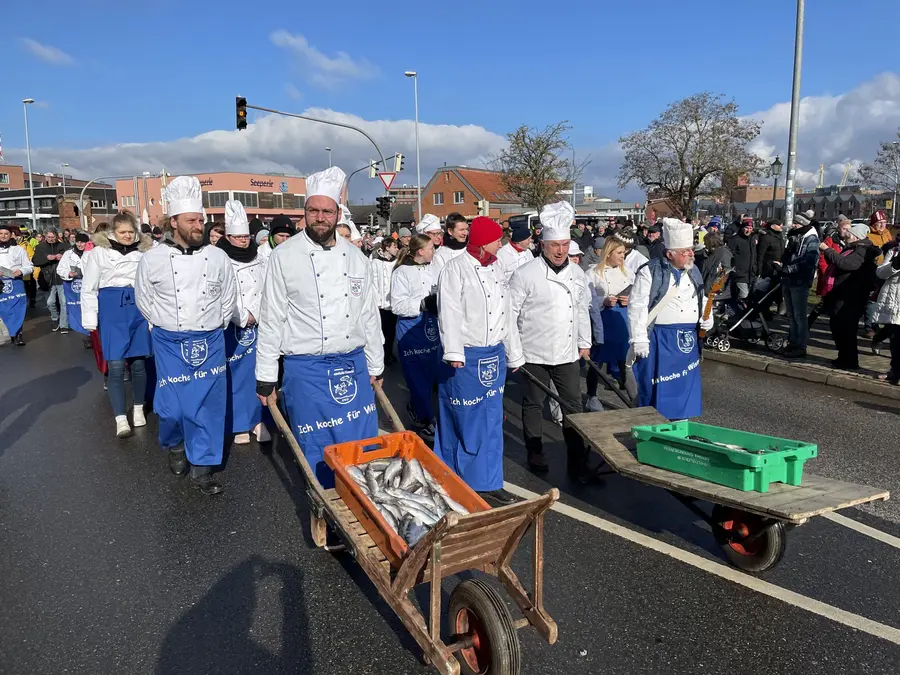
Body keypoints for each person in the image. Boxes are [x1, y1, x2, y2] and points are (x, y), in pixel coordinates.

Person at [255, 167, 383, 489]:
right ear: (305, 213)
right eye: (314, 210)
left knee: (361, 443)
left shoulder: (356, 258)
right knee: (316, 448)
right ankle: (325, 508)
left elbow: (369, 315)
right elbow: (272, 318)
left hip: (352, 364)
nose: (320, 217)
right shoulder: (284, 256)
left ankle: (361, 505)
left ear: (338, 213)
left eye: (327, 211)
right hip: (305, 368)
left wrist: (376, 364)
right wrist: (266, 376)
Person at [135, 176, 237, 495]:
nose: (199, 225)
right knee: (172, 407)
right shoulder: (152, 259)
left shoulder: (218, 258)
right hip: (169, 342)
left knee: (208, 405)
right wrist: (164, 325)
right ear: (174, 221)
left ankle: (203, 467)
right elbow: (144, 300)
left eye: (201, 220)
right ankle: (176, 444)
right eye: (192, 220)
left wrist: (210, 325)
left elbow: (229, 298)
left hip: (209, 341)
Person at [507, 201, 594, 482]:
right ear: (543, 245)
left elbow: (582, 310)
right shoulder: (525, 274)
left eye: (565, 244)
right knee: (533, 403)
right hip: (534, 352)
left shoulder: (577, 274)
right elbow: (510, 316)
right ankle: (535, 450)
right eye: (555, 245)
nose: (560, 251)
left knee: (573, 406)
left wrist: (585, 342)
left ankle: (578, 460)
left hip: (567, 352)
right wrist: (515, 355)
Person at [436, 216, 516, 505]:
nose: (501, 243)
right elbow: (450, 312)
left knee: (492, 418)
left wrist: (513, 352)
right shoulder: (455, 269)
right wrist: (454, 352)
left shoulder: (497, 266)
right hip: (467, 356)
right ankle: (456, 475)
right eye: (497, 238)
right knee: (466, 418)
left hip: (492, 353)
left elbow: (506, 311)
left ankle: (489, 479)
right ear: (483, 240)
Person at [629, 218, 713, 420]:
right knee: (656, 389)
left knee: (685, 392)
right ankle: (653, 430)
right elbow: (637, 306)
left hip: (688, 340)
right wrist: (639, 338)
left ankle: (681, 428)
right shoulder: (650, 271)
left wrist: (708, 319)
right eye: (686, 251)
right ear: (670, 254)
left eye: (691, 249)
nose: (692, 254)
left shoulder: (694, 271)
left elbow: (701, 299)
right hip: (661, 339)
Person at [82, 210, 154, 438]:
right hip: (111, 309)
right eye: (122, 232)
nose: (127, 236)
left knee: (139, 363)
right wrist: (90, 318)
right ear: (114, 232)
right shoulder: (100, 253)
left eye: (131, 232)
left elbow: (152, 285)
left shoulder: (144, 252)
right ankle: (120, 417)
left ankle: (139, 407)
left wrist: (154, 317)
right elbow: (89, 287)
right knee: (115, 364)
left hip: (138, 306)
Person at [218, 200, 270, 446]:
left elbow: (267, 288)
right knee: (236, 375)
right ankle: (239, 423)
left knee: (260, 374)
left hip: (259, 325)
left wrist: (261, 314)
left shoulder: (259, 258)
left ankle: (258, 420)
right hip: (235, 326)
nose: (243, 241)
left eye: (246, 236)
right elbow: (221, 294)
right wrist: (241, 316)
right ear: (228, 237)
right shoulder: (221, 259)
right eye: (238, 237)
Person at [391, 233, 441, 437]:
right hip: (411, 330)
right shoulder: (402, 272)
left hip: (431, 326)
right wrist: (421, 304)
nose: (434, 251)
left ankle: (417, 406)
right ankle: (424, 420)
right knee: (417, 378)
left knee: (432, 375)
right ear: (420, 251)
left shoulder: (434, 267)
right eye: (431, 248)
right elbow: (397, 305)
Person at [819, 223, 878, 370]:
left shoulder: (861, 250)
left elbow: (846, 264)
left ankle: (850, 361)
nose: (846, 236)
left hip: (851, 297)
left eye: (849, 233)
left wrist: (828, 251)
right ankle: (843, 357)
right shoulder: (854, 248)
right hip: (843, 294)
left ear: (855, 236)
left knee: (847, 329)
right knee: (837, 326)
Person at [586, 237, 634, 408]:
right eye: (619, 253)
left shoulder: (627, 272)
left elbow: (637, 295)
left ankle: (633, 398)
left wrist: (629, 299)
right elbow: (587, 299)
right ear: (608, 253)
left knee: (624, 358)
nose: (623, 256)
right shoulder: (593, 274)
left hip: (621, 318)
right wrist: (603, 301)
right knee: (597, 359)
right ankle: (592, 396)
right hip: (603, 319)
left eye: (624, 252)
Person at [776, 212, 820, 358]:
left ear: (803, 224)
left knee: (800, 316)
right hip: (788, 280)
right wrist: (782, 265)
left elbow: (808, 262)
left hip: (800, 282)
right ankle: (792, 342)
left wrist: (788, 268)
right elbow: (789, 255)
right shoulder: (795, 236)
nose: (793, 225)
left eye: (796, 223)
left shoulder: (811, 239)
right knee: (791, 315)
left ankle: (801, 345)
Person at [57, 231, 93, 346]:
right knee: (77, 310)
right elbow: (60, 269)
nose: (79, 244)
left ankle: (92, 335)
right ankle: (87, 335)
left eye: (82, 242)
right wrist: (68, 273)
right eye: (77, 242)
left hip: (89, 285)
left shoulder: (93, 253)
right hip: (74, 287)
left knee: (90, 309)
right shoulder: (68, 254)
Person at [0, 223, 33, 346]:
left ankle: (19, 334)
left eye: (6, 234)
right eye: (1, 234)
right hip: (1, 283)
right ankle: (7, 332)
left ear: (11, 235)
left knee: (17, 309)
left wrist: (21, 271)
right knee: (4, 309)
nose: (3, 236)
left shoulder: (19, 249)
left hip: (16, 282)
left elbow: (29, 266)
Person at [872, 243, 900, 381]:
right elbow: (880, 272)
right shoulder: (894, 251)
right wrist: (895, 265)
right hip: (895, 303)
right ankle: (894, 372)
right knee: (895, 342)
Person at [32, 228, 69, 333]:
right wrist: (47, 258)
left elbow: (71, 259)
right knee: (50, 302)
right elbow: (35, 261)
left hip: (61, 278)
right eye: (49, 237)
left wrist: (63, 257)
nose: (51, 239)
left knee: (64, 302)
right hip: (48, 278)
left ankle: (64, 324)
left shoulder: (64, 246)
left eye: (53, 237)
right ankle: (55, 318)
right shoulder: (40, 247)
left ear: (57, 236)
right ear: (45, 237)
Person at [864, 209, 894, 337]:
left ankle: (883, 324)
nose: (882, 225)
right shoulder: (869, 235)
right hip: (874, 270)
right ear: (873, 224)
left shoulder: (887, 234)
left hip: (888, 270)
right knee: (872, 300)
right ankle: (870, 326)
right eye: (879, 223)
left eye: (884, 222)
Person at [370, 238, 400, 364]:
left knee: (391, 331)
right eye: (394, 247)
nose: (396, 249)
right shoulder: (376, 263)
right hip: (381, 304)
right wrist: (377, 302)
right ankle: (382, 354)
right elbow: (373, 283)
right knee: (382, 331)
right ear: (387, 248)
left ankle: (389, 353)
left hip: (393, 303)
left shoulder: (396, 262)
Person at [431, 213, 469, 278]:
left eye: (466, 229)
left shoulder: (471, 250)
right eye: (461, 230)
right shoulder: (440, 255)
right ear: (450, 231)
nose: (465, 233)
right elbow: (439, 280)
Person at [727, 219, 756, 300]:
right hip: (739, 273)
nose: (748, 230)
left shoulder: (751, 240)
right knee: (744, 295)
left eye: (750, 228)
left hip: (750, 273)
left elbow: (754, 255)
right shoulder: (734, 239)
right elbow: (730, 256)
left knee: (750, 296)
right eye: (746, 228)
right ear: (742, 228)